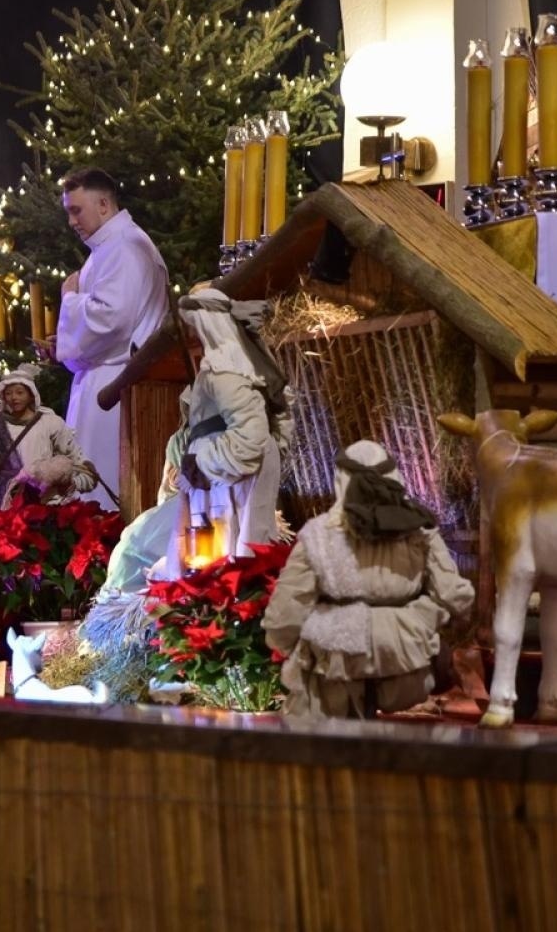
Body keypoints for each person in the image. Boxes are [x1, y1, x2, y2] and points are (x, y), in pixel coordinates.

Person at [262, 440, 475, 719]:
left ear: (341, 481)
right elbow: (454, 595)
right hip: (405, 660)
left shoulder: (319, 534)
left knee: (313, 722)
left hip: (336, 660)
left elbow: (287, 610)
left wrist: (286, 645)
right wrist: (422, 621)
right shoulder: (420, 531)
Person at [52, 168, 169, 509]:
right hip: (105, 381)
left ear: (103, 204)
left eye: (76, 210)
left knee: (103, 495)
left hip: (114, 390)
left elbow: (111, 321)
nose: (72, 221)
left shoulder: (125, 247)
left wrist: (71, 300)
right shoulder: (110, 247)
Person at [160, 286, 292, 577]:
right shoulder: (235, 364)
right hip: (223, 470)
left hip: (228, 473)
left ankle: (230, 606)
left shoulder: (225, 370)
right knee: (219, 540)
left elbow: (250, 435)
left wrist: (204, 460)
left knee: (229, 542)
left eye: (194, 325)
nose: (192, 334)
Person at [0, 364, 96, 514]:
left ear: (31, 394)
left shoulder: (50, 423)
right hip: (2, 502)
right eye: (8, 393)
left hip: (43, 499)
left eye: (20, 392)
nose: (14, 398)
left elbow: (76, 460)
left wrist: (72, 482)